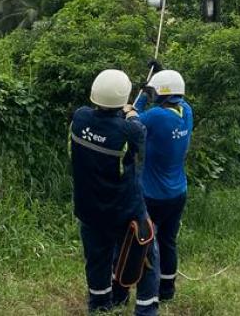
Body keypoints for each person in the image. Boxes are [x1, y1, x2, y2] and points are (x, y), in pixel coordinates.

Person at [70, 69, 160, 315]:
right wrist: (134, 109)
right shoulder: (129, 130)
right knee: (146, 255)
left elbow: (113, 117)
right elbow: (135, 126)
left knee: (97, 259)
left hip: (89, 209)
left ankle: (100, 305)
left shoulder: (80, 118)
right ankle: (146, 310)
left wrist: (133, 103)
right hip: (124, 210)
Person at [133, 67, 194, 302]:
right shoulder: (187, 111)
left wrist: (142, 93)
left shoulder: (157, 116)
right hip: (178, 191)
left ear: (160, 94)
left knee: (147, 242)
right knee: (168, 240)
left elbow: (130, 118)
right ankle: (167, 290)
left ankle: (147, 291)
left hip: (153, 194)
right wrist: (157, 83)